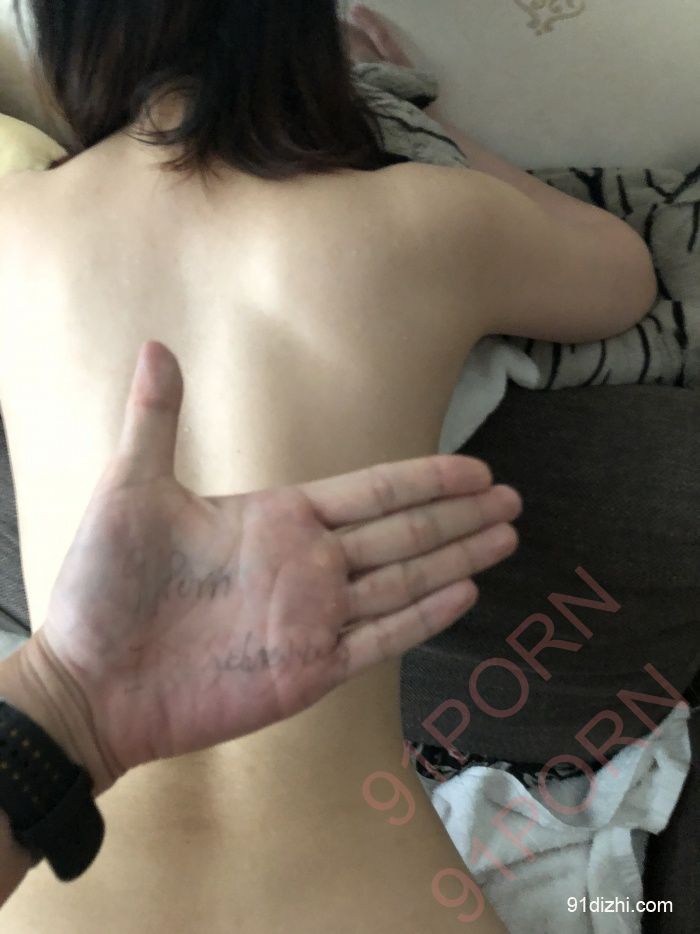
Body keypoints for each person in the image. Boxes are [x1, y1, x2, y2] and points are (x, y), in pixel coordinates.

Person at [0, 3, 657, 932]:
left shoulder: (12, 224)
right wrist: (415, 115)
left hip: (54, 886)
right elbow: (625, 272)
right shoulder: (427, 217)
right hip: (370, 889)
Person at [0, 338, 523, 908]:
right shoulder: (415, 276)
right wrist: (65, 703)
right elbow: (604, 298)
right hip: (364, 877)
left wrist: (68, 700)